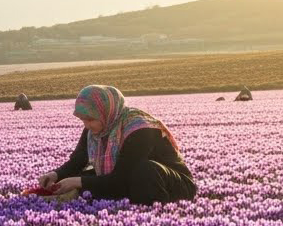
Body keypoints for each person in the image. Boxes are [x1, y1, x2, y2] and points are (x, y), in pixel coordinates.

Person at [38, 85, 196, 206]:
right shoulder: (96, 128)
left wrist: (77, 182)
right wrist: (55, 175)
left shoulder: (139, 128)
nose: (86, 125)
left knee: (144, 170)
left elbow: (122, 177)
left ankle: (149, 213)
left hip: (169, 184)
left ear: (106, 111)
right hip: (126, 180)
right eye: (83, 120)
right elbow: (78, 160)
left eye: (90, 119)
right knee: (89, 173)